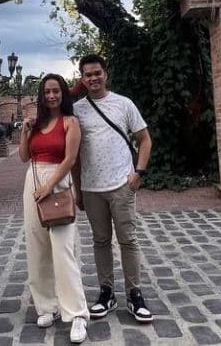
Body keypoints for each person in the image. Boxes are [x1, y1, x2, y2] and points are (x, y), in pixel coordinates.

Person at [72, 54, 153, 323]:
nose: (93, 78)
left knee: (128, 240)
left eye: (97, 73)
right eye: (88, 75)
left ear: (105, 74)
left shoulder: (123, 104)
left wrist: (138, 173)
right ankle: (106, 292)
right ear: (82, 79)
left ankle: (134, 293)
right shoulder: (78, 110)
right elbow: (74, 154)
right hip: (91, 187)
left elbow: (144, 139)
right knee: (100, 241)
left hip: (121, 184)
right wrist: (78, 190)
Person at [18, 74, 89, 344]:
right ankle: (47, 305)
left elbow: (70, 159)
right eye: (47, 91)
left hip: (57, 183)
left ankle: (77, 313)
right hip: (33, 182)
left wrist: (49, 186)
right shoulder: (37, 123)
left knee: (63, 249)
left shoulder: (71, 122)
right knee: (37, 246)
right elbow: (24, 156)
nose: (51, 96)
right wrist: (25, 132)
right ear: (41, 95)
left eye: (56, 91)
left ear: (63, 93)